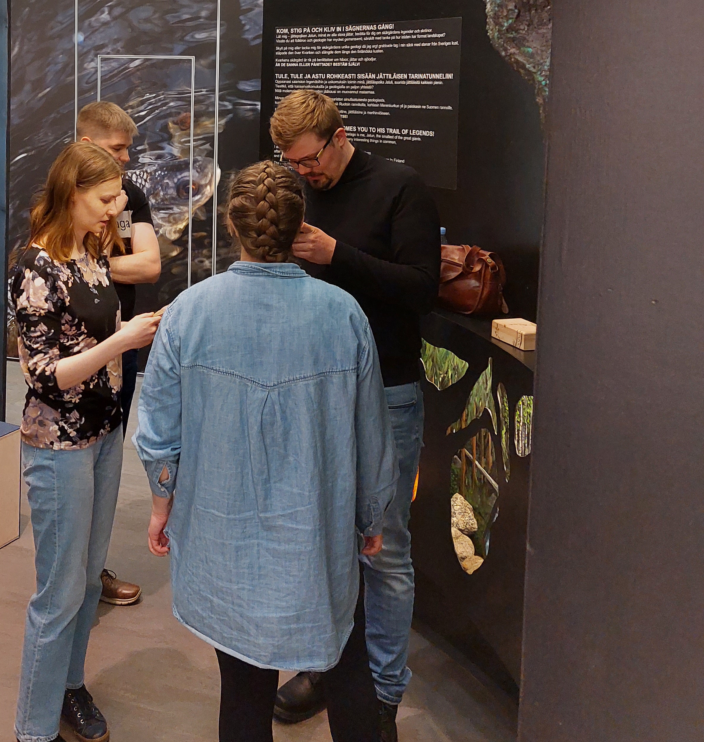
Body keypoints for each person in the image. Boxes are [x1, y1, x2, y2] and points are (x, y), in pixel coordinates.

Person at [133, 161, 399, 742]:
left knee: (244, 687)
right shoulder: (343, 315)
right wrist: (373, 514)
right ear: (298, 225)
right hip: (319, 532)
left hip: (225, 539)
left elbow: (157, 431)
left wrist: (161, 503)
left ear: (232, 223)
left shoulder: (188, 313)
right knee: (349, 664)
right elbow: (371, 432)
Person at [268, 90, 441, 742]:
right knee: (322, 543)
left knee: (385, 551)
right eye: (292, 165)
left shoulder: (401, 187)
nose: (303, 174)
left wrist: (338, 255)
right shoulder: (301, 193)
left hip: (387, 393)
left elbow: (420, 290)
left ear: (340, 136)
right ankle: (325, 668)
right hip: (313, 392)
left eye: (309, 161)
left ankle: (384, 693)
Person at [11, 141, 160, 742]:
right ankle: (33, 729)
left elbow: (94, 338)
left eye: (119, 197)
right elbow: (45, 373)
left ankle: (69, 686)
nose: (115, 210)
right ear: (72, 193)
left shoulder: (91, 252)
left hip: (102, 433)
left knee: (87, 575)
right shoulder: (34, 267)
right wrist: (123, 342)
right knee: (59, 591)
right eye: (104, 199)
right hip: (59, 445)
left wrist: (132, 332)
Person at [77, 100, 163, 607]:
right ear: (87, 147)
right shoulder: (55, 196)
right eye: (117, 149)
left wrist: (93, 264)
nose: (128, 158)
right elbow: (57, 263)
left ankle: (93, 571)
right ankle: (75, 579)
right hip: (79, 351)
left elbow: (149, 265)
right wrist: (104, 265)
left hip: (122, 345)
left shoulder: (130, 195)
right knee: (75, 466)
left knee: (109, 457)